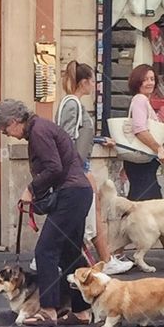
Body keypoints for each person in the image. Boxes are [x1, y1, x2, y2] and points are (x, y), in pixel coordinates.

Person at [0, 98, 93, 327]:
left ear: (14, 121)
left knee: (46, 250)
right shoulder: (43, 128)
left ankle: (47, 310)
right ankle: (82, 311)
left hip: (71, 194)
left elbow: (54, 167)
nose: (6, 133)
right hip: (78, 192)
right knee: (70, 253)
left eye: (5, 128)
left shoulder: (38, 131)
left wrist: (31, 189)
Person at [57, 60, 133, 276]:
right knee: (91, 213)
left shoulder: (71, 103)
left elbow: (77, 135)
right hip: (78, 167)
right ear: (83, 83)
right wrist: (76, 169)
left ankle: (104, 259)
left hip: (77, 165)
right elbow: (67, 137)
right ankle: (104, 261)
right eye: (92, 81)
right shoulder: (73, 104)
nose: (95, 85)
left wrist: (99, 139)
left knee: (89, 213)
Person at [122, 65, 164, 265]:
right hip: (141, 161)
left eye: (152, 78)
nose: (150, 82)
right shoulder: (140, 100)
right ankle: (113, 251)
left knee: (150, 207)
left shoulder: (144, 102)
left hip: (143, 162)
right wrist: (159, 149)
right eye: (145, 79)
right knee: (138, 208)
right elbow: (140, 130)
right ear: (137, 82)